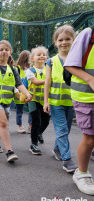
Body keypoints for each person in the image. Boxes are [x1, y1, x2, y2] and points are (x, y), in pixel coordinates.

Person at [43, 25, 78, 173]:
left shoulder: (78, 58)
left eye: (67, 39)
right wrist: (46, 101)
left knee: (66, 129)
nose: (64, 42)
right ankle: (67, 160)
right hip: (56, 102)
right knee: (62, 129)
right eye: (60, 40)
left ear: (74, 40)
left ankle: (57, 149)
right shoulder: (51, 61)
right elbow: (47, 81)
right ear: (55, 42)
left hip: (72, 101)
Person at [64, 25, 94, 195]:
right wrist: (90, 79)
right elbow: (70, 65)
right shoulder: (88, 34)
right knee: (90, 138)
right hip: (86, 97)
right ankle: (81, 173)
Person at [25, 46, 50, 155]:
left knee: (46, 120)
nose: (42, 56)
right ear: (32, 59)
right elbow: (35, 82)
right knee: (36, 121)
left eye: (44, 55)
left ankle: (39, 133)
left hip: (45, 100)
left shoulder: (48, 69)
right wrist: (50, 80)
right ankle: (33, 144)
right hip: (33, 99)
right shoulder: (29, 71)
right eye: (38, 55)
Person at [14, 50, 32, 134]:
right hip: (19, 93)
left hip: (29, 92)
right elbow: (14, 81)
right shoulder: (17, 68)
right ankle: (20, 126)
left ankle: (30, 125)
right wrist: (16, 92)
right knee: (19, 111)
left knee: (31, 110)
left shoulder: (31, 69)